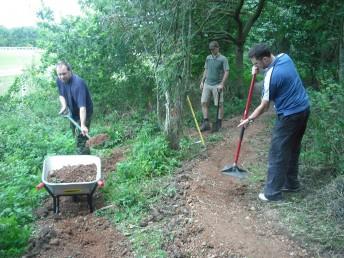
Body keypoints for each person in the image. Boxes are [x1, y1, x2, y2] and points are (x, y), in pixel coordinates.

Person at [238, 43, 310, 202]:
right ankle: (291, 184)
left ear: (265, 59)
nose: (255, 66)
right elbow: (271, 70)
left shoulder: (272, 76)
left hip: (289, 116)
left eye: (256, 63)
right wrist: (259, 70)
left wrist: (249, 119)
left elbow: (264, 106)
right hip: (304, 109)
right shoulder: (285, 57)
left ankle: (272, 193)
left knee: (278, 152)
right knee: (292, 149)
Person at [56, 61, 93, 155]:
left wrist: (83, 124)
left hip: (84, 112)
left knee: (81, 139)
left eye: (64, 74)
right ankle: (84, 154)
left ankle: (85, 161)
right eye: (59, 74)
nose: (61, 77)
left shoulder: (78, 84)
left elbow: (82, 108)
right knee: (76, 136)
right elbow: (61, 95)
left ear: (70, 71)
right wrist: (64, 106)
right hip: (73, 112)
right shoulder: (60, 80)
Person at [200, 41, 229, 132]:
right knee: (204, 102)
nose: (212, 51)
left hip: (217, 84)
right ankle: (206, 123)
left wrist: (222, 84)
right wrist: (202, 81)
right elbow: (206, 69)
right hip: (207, 84)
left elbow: (226, 71)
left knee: (219, 104)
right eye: (211, 49)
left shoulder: (223, 59)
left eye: (213, 49)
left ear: (217, 48)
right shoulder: (208, 58)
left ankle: (219, 123)